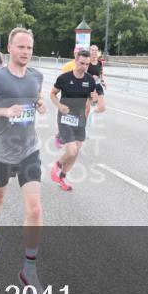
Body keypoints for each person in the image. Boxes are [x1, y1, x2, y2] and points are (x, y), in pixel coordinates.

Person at [0, 27, 46, 294]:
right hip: (1, 152)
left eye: (29, 47)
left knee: (35, 208)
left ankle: (29, 270)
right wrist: (4, 110)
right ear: (10, 49)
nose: (26, 52)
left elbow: (33, 98)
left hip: (29, 150)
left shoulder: (37, 76)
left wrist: (38, 104)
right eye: (21, 47)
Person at [49, 49, 100, 192]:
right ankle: (57, 166)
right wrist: (59, 105)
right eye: (82, 63)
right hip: (65, 117)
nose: (84, 66)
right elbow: (52, 94)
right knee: (71, 151)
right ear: (76, 61)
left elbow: (91, 100)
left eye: (87, 64)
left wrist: (94, 100)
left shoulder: (90, 80)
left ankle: (62, 178)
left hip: (80, 118)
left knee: (76, 151)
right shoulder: (64, 78)